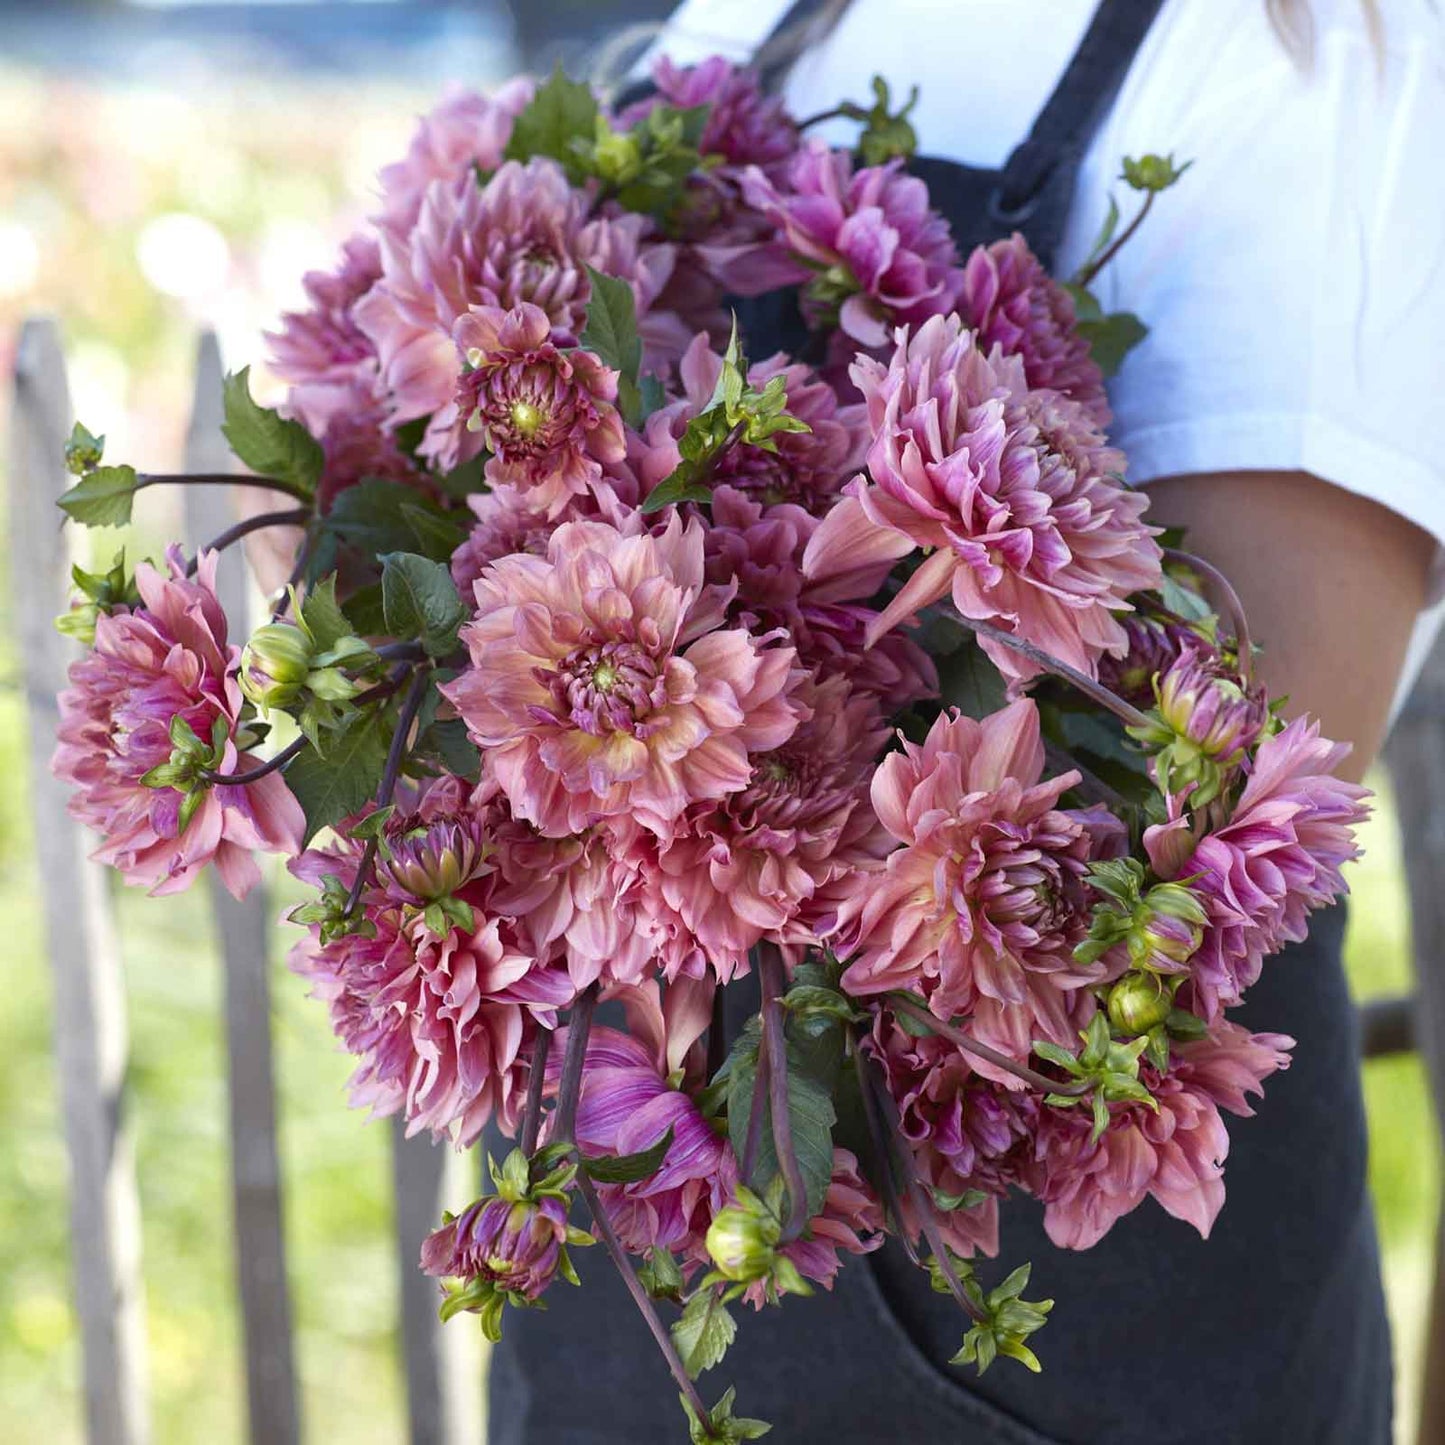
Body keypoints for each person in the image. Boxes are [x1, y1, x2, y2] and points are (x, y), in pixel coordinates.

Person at [486, 2, 1445, 1440]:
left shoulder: (1335, 74)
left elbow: (1209, 821)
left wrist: (672, 703)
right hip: (624, 1292)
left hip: (1059, 1352)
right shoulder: (758, 18)